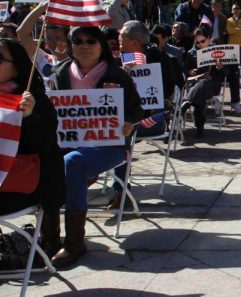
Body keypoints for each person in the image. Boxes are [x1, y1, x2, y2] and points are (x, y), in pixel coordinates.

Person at [48, 26, 143, 267]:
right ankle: (48, 238)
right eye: (77, 41)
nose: (85, 46)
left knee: (73, 163)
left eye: (91, 41)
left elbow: (136, 110)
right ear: (70, 46)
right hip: (68, 143)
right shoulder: (60, 73)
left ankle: (74, 242)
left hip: (109, 145)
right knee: (44, 160)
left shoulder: (117, 74)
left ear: (101, 45)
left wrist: (128, 122)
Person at [0, 39, 65, 258]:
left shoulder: (33, 99)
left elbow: (46, 144)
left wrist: (29, 117)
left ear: (17, 67)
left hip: (22, 184)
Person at [180, 28, 225, 141]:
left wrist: (220, 67)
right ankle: (200, 128)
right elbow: (184, 71)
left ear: (209, 39)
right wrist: (190, 71)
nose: (200, 44)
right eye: (197, 42)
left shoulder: (218, 52)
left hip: (213, 85)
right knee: (199, 94)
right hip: (194, 84)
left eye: (203, 41)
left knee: (204, 83)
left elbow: (227, 74)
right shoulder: (191, 53)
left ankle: (186, 103)